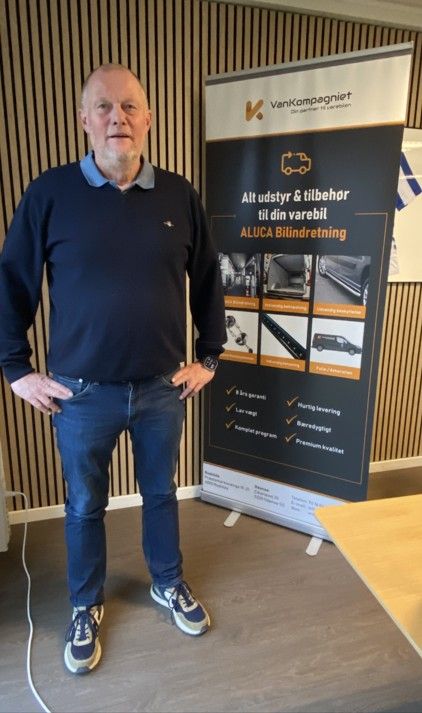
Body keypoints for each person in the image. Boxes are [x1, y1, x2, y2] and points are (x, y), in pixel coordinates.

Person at [0, 64, 226, 674]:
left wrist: (209, 356)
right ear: (84, 120)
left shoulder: (179, 195)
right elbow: (12, 282)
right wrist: (16, 368)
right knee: (83, 506)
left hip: (160, 390)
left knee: (161, 494)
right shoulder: (49, 194)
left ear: (148, 119)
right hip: (80, 396)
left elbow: (209, 277)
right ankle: (85, 603)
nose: (116, 117)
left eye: (129, 106)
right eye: (103, 106)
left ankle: (167, 582)